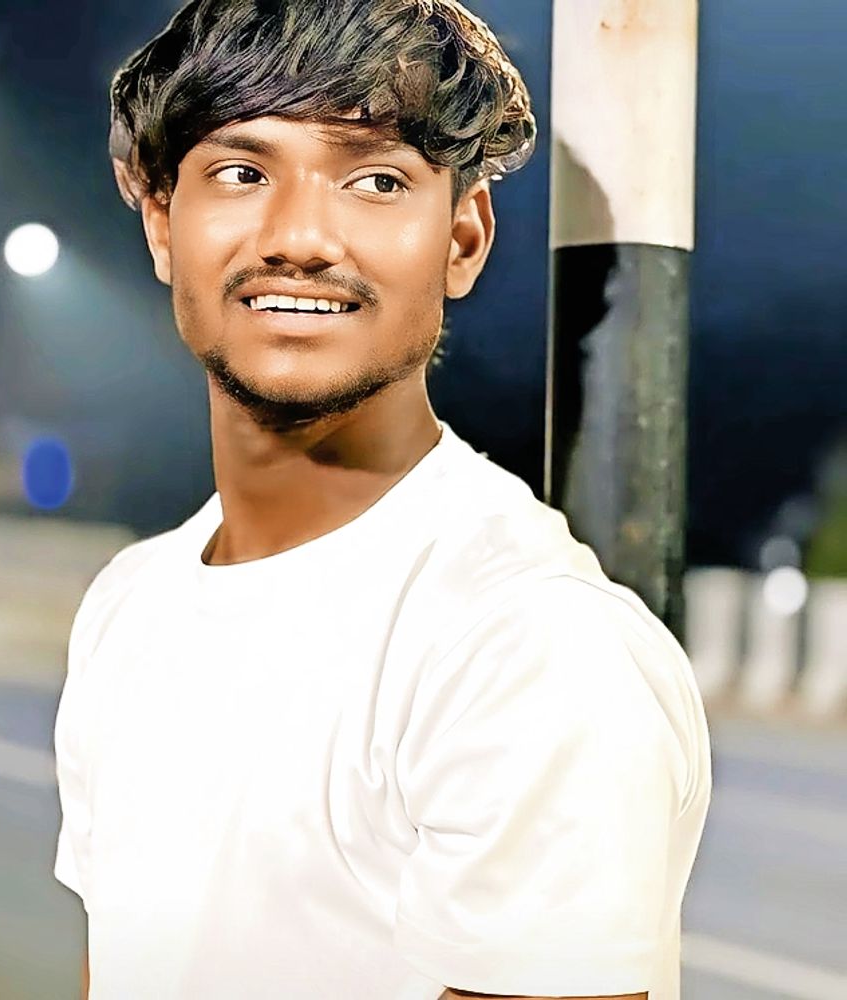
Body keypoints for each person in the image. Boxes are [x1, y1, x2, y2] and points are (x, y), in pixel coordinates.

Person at [52, 1, 713, 998]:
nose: (301, 238)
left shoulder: (524, 644)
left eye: (375, 180)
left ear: (462, 239)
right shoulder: (128, 604)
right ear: (161, 225)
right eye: (241, 173)